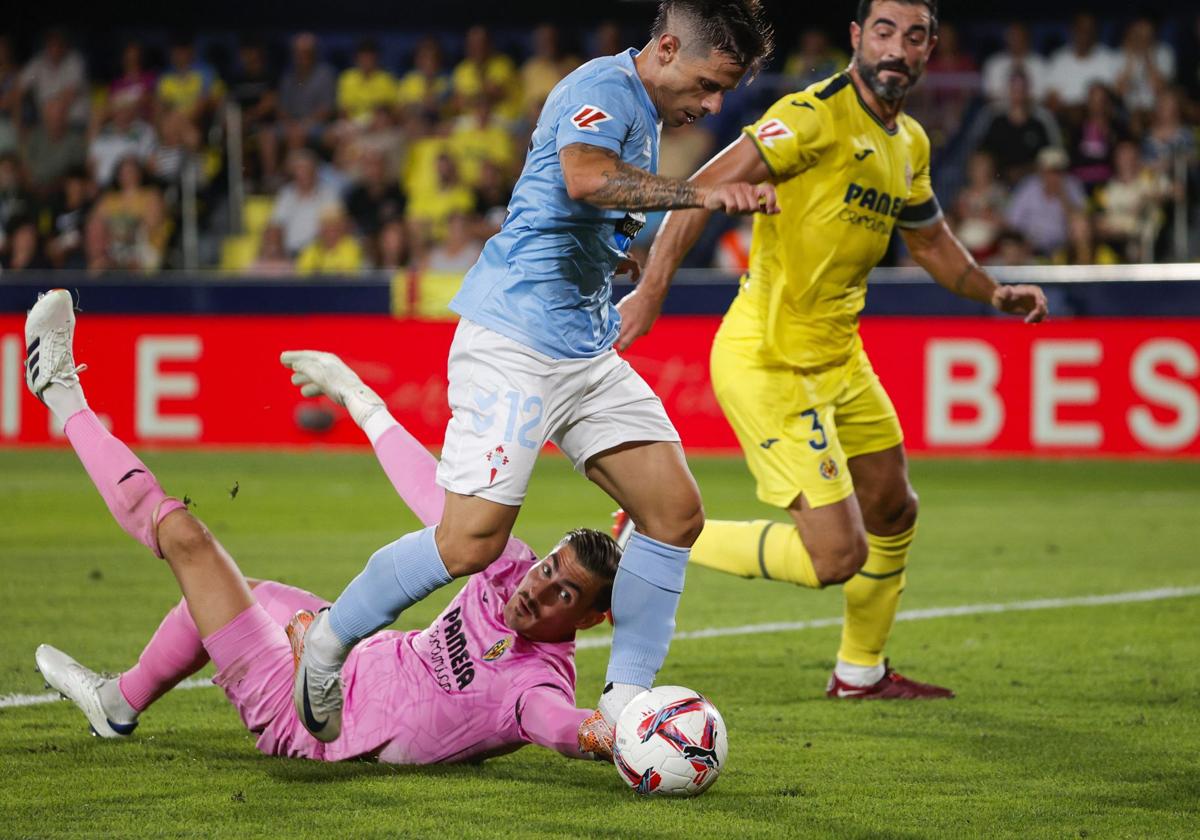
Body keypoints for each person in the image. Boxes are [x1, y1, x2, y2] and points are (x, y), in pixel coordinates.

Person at [289, 0, 777, 748]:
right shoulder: (604, 89)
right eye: (710, 85)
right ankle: (328, 641)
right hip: (514, 340)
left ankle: (625, 706)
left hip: (582, 347)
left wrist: (611, 254)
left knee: (675, 513)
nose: (711, 105)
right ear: (670, 47)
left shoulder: (646, 111)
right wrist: (700, 192)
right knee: (470, 544)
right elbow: (584, 177)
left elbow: (565, 200)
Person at [617, 0, 1049, 700]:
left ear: (930, 50)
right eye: (883, 31)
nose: (896, 48)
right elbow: (703, 189)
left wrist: (993, 292)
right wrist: (654, 290)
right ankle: (651, 536)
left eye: (914, 36)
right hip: (771, 359)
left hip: (840, 356)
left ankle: (860, 672)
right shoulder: (813, 115)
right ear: (857, 37)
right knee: (837, 556)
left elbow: (932, 241)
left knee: (894, 511)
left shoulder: (908, 142)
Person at [24, 291, 620, 764]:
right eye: (548, 569)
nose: (536, 590)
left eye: (563, 594)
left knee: (187, 542)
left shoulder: (537, 683)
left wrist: (617, 737)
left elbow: (562, 726)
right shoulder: (507, 565)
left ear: (590, 620)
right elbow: (432, 492)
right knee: (236, 597)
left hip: (312, 721)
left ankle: (58, 390)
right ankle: (117, 704)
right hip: (344, 655)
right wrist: (360, 399)